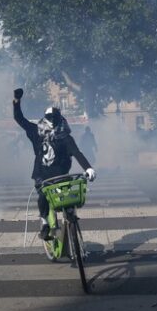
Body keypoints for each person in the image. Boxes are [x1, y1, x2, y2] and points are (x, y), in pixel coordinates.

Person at [12, 88, 96, 239]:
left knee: (69, 198)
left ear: (59, 119)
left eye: (54, 119)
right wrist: (17, 102)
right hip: (42, 174)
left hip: (61, 174)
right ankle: (44, 223)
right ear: (45, 118)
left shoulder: (65, 136)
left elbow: (76, 152)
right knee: (43, 196)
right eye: (49, 118)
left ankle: (70, 218)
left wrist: (88, 168)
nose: (51, 122)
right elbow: (20, 120)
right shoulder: (36, 131)